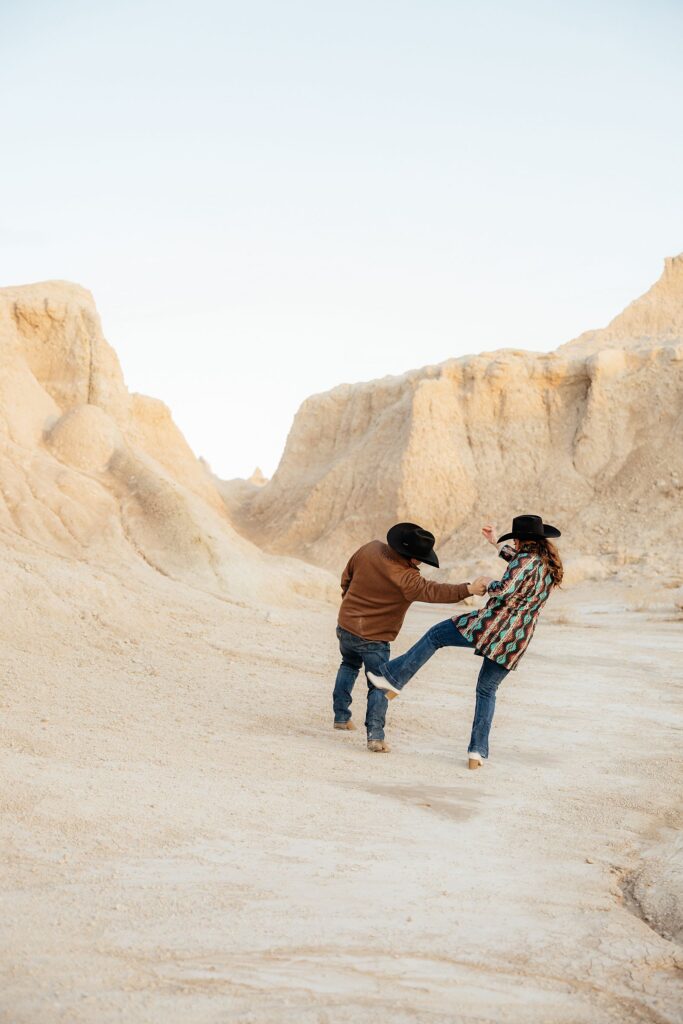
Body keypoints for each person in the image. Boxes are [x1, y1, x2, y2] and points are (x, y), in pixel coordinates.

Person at [367, 515, 563, 767]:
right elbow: (517, 563)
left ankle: (394, 681)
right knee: (486, 690)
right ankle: (477, 752)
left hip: (493, 628)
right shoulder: (545, 565)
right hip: (516, 640)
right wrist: (494, 543)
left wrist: (484, 584)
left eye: (514, 540)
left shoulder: (525, 560)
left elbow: (504, 587)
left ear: (520, 540)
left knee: (436, 635)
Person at [333, 522, 489, 753]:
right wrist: (469, 589)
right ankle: (375, 736)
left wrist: (349, 604)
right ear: (408, 555)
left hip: (345, 625)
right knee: (380, 684)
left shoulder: (369, 548)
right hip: (374, 637)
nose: (420, 562)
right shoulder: (407, 579)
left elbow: (346, 577)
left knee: (348, 665)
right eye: (418, 558)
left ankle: (341, 716)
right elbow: (436, 591)